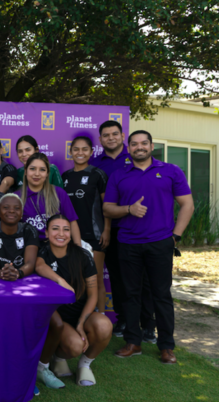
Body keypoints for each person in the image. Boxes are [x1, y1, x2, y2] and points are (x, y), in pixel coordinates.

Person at [104, 130, 194, 364]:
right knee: (131, 295)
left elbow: (187, 204)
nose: (139, 147)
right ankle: (133, 342)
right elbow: (108, 209)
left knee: (161, 295)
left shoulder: (171, 171)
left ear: (152, 146)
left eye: (144, 143)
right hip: (128, 244)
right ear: (129, 147)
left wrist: (176, 236)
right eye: (134, 144)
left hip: (160, 243)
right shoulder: (118, 175)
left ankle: (166, 346)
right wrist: (128, 209)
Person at [91, 120, 154, 339]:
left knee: (143, 279)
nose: (110, 138)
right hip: (109, 230)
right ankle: (123, 320)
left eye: (114, 134)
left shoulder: (136, 159)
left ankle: (148, 324)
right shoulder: (95, 164)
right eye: (106, 135)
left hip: (137, 228)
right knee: (117, 278)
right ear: (100, 140)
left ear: (122, 136)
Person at [35, 215, 112, 387]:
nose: (61, 233)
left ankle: (85, 365)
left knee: (104, 325)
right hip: (58, 319)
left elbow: (93, 295)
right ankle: (59, 357)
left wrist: (81, 322)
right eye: (55, 229)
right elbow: (39, 266)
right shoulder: (42, 252)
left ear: (71, 233)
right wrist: (61, 281)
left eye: (66, 229)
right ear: (47, 233)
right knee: (75, 346)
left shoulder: (83, 255)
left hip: (80, 312)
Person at [62, 136, 110, 312]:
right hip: (69, 237)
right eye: (76, 149)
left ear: (91, 152)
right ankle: (78, 319)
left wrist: (107, 230)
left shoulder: (98, 175)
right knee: (75, 278)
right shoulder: (65, 176)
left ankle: (101, 318)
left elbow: (107, 207)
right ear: (70, 152)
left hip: (94, 235)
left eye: (84, 149)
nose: (80, 153)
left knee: (95, 280)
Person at [17, 153, 81, 244]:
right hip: (28, 248)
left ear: (47, 173)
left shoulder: (59, 193)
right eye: (32, 169)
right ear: (26, 171)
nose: (37, 174)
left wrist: (79, 251)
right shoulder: (16, 197)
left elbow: (72, 223)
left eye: (42, 170)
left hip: (56, 247)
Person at [0, 194, 39, 280]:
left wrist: (17, 273)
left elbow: (30, 263)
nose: (11, 211)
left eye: (17, 208)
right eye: (6, 207)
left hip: (19, 282)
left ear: (22, 214)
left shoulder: (29, 231)